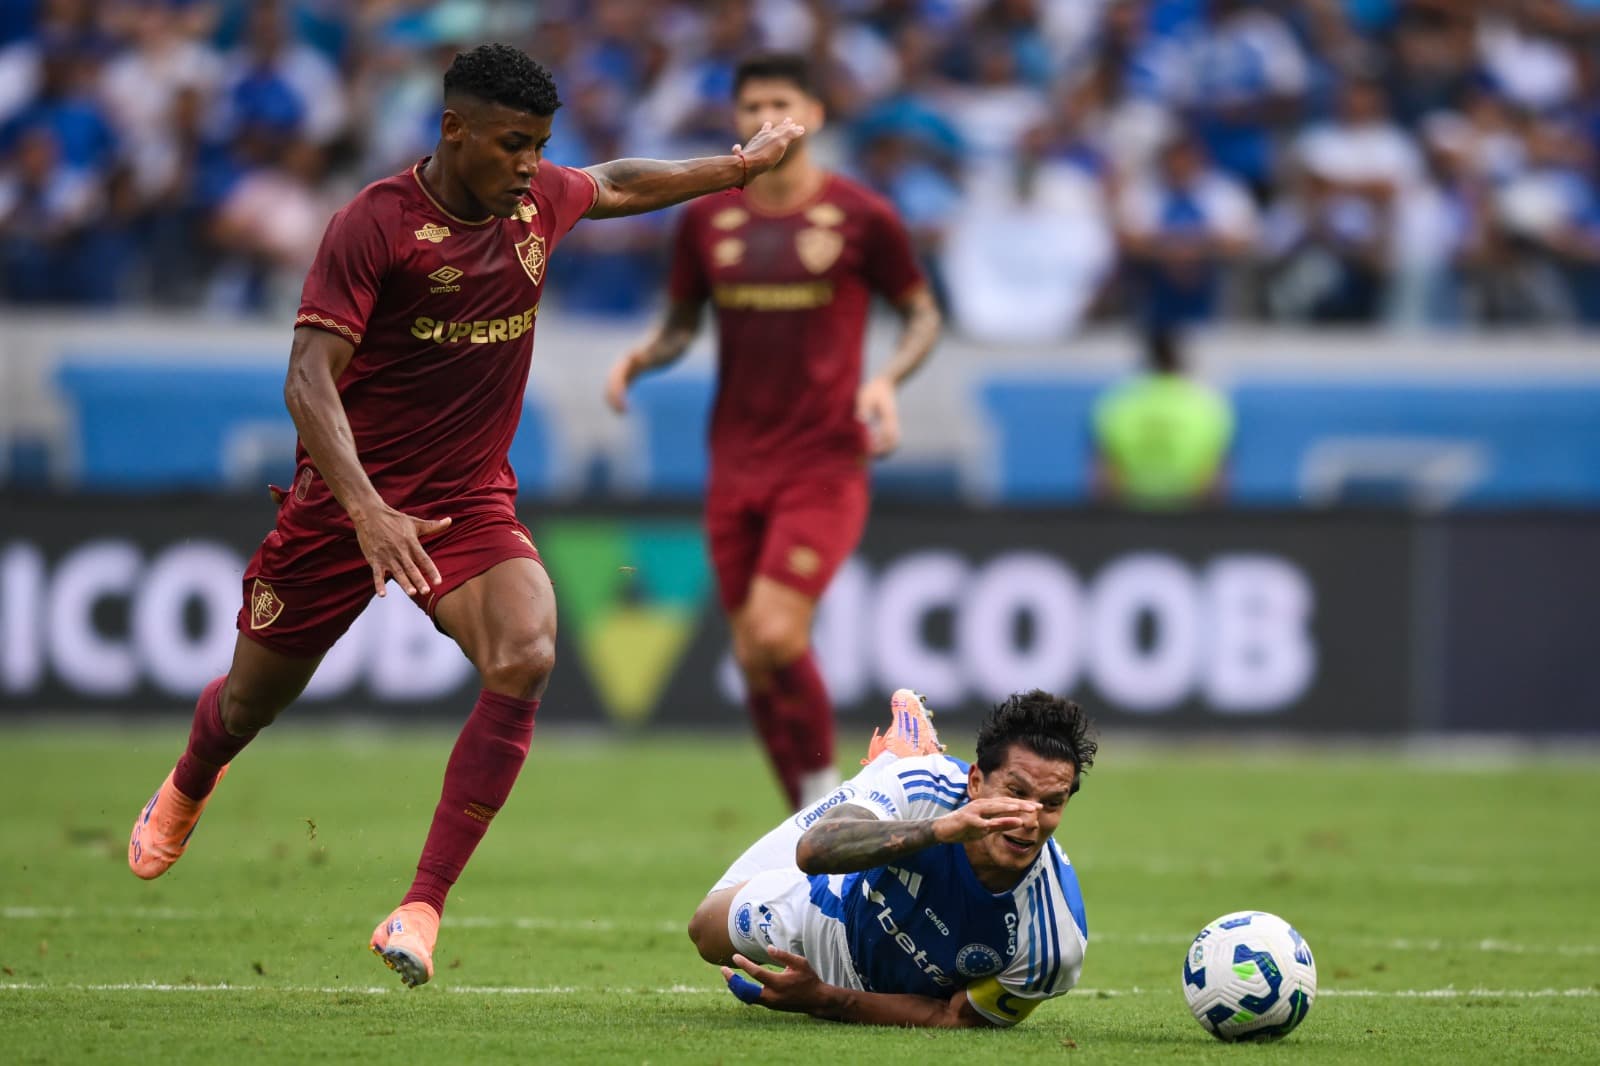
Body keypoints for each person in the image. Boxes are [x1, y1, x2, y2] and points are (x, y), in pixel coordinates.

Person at [125, 42, 805, 989]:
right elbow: (306, 379)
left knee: (526, 653)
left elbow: (612, 183)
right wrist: (365, 511)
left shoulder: (535, 203)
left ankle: (420, 906)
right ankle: (193, 780)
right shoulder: (375, 225)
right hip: (342, 503)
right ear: (455, 130)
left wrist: (734, 168)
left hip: (467, 502)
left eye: (540, 147)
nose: (530, 166)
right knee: (247, 706)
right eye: (514, 145)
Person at [605, 52, 942, 811]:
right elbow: (681, 326)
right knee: (755, 657)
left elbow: (921, 311)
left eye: (781, 101)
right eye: (751, 103)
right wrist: (642, 357)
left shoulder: (862, 216)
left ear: (816, 115)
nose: (765, 117)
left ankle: (832, 798)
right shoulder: (705, 217)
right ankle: (808, 819)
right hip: (734, 462)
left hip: (824, 459)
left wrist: (886, 379)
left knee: (774, 632)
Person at [687, 689, 1096, 1029]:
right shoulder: (929, 788)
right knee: (705, 930)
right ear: (975, 782)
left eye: (1051, 803)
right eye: (1016, 792)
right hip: (832, 910)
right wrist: (940, 829)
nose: (1029, 818)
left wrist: (825, 1000)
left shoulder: (1055, 941)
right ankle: (894, 761)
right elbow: (813, 852)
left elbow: (952, 1017)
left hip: (887, 993)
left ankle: (890, 766)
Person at [1092, 327, 1234, 508]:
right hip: (1190, 523)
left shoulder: (1116, 405)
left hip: (1130, 521)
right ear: (1183, 359)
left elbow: (1103, 481)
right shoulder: (1208, 406)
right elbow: (1216, 485)